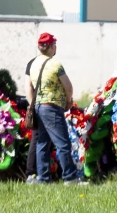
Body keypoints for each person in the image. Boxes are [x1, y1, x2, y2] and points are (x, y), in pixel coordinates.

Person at [28, 32, 86, 185]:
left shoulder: (33, 64)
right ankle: (70, 177)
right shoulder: (55, 64)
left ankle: (43, 178)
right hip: (52, 107)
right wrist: (68, 101)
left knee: (42, 143)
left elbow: (30, 86)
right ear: (51, 47)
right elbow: (68, 86)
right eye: (55, 45)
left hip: (39, 107)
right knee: (63, 143)